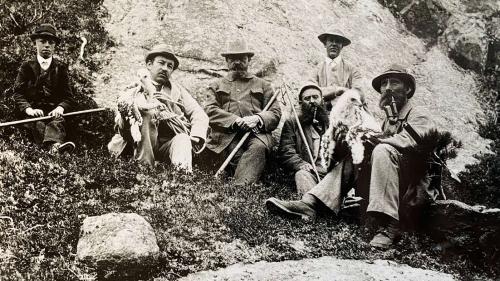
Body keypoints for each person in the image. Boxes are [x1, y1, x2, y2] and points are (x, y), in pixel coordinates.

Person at [267, 64, 439, 250]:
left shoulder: (419, 114)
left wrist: (374, 140)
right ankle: (310, 203)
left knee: (381, 149)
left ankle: (390, 225)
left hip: (413, 186)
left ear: (408, 89)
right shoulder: (388, 120)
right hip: (390, 183)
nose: (387, 87)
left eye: (394, 82)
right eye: (384, 83)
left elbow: (411, 142)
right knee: (356, 154)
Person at [108, 44, 209, 172]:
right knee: (146, 113)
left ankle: (183, 180)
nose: (165, 68)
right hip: (136, 146)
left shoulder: (177, 91)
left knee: (183, 138)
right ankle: (144, 171)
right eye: (161, 63)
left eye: (169, 66)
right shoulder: (132, 90)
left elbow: (199, 113)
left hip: (165, 146)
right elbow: (120, 125)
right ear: (149, 65)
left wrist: (196, 135)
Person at [204, 38, 281, 186]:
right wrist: (235, 120)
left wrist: (258, 118)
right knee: (236, 155)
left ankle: (238, 190)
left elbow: (275, 112)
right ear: (226, 61)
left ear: (249, 60)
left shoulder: (263, 85)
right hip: (228, 136)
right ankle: (245, 187)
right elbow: (209, 110)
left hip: (257, 134)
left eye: (241, 58)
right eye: (232, 58)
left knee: (259, 148)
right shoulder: (216, 85)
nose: (237, 62)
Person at [12, 23, 75, 154]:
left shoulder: (61, 68)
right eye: (42, 41)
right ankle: (51, 151)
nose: (46, 45)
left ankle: (54, 147)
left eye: (50, 42)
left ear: (54, 46)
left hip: (53, 113)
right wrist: (29, 109)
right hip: (33, 113)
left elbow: (68, 96)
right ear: (35, 43)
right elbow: (18, 93)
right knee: (37, 124)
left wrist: (60, 108)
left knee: (57, 122)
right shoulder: (26, 67)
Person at [278, 83, 329, 195]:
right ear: (301, 103)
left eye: (315, 97)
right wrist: (300, 164)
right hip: (309, 171)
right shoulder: (292, 123)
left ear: (322, 100)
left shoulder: (332, 123)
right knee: (301, 175)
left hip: (330, 172)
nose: (312, 101)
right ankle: (310, 206)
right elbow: (286, 151)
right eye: (307, 98)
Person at [309, 27, 362, 110]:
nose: (334, 44)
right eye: (330, 40)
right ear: (325, 44)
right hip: (321, 113)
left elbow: (358, 93)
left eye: (337, 41)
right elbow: (311, 91)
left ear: (342, 46)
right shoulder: (317, 69)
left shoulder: (352, 70)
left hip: (345, 112)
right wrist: (336, 91)